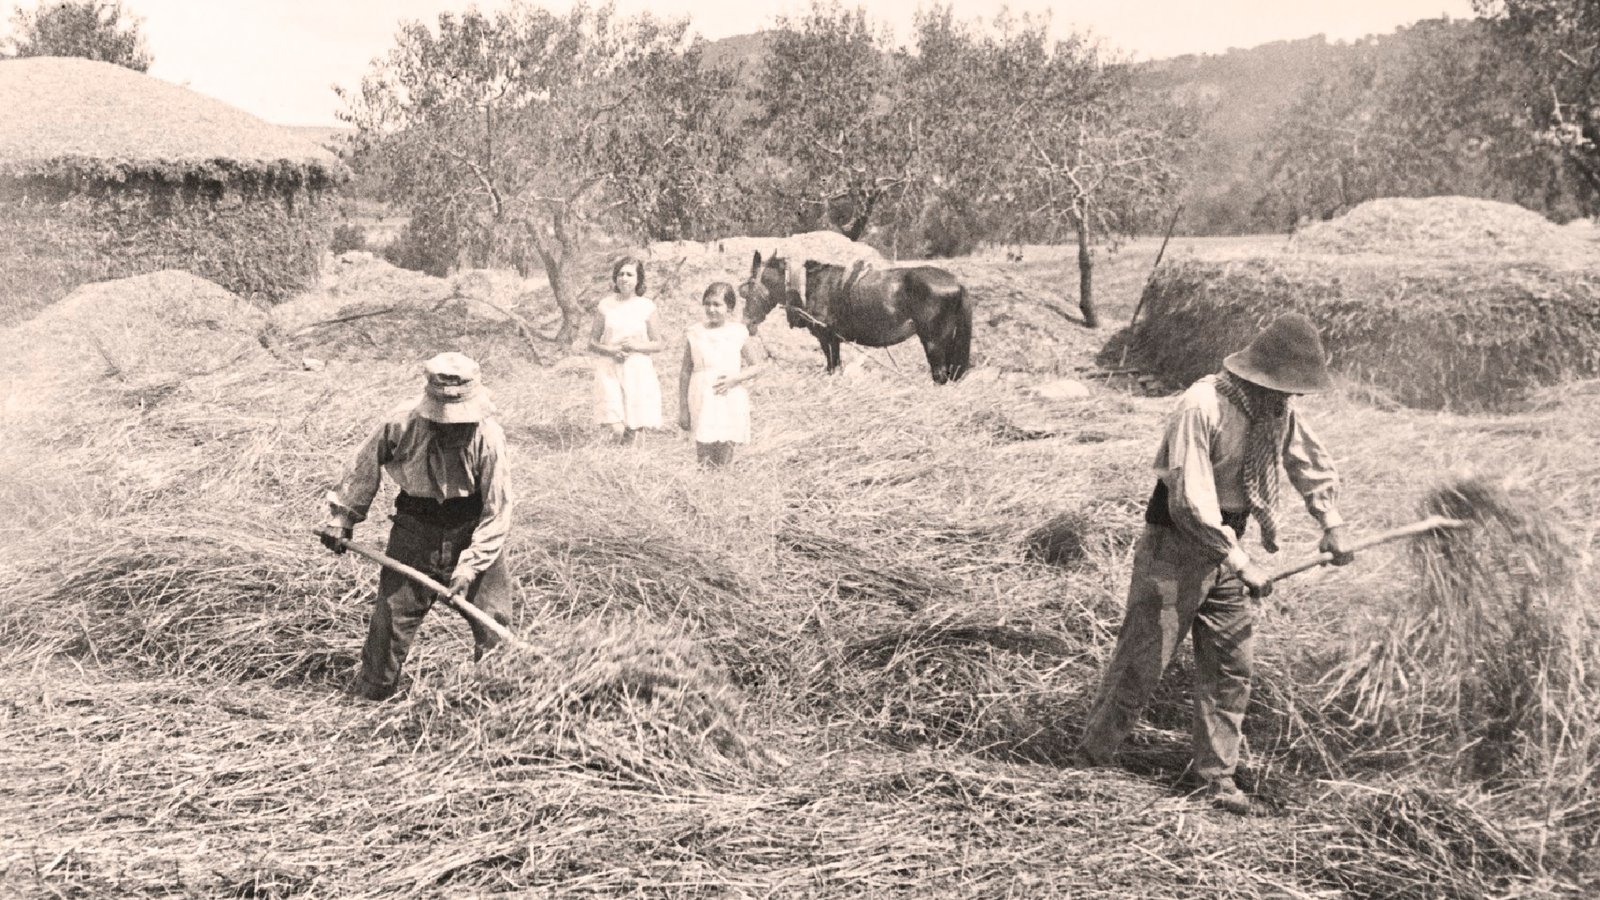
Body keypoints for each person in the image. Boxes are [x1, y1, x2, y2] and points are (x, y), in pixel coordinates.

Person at [1075, 313, 1355, 815]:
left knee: (1230, 668)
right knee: (1142, 663)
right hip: (1175, 549)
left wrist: (1330, 521)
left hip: (1229, 550)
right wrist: (1239, 561)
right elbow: (1190, 503)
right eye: (1285, 389)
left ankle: (1216, 780)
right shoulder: (1201, 405)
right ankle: (1089, 764)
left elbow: (1308, 461)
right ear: (1257, 375)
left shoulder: (1276, 409)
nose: (1289, 400)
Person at [316, 352, 514, 702]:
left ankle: (497, 697)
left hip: (471, 529)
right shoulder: (401, 423)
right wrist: (343, 518)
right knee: (390, 622)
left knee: (494, 622)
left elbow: (496, 511)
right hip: (414, 529)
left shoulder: (488, 436)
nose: (452, 426)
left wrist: (470, 565)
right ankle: (373, 696)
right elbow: (364, 466)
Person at [678, 282, 766, 466]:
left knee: (725, 451)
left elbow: (757, 365)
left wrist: (735, 378)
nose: (711, 309)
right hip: (701, 394)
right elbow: (685, 371)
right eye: (707, 304)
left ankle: (723, 484)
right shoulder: (695, 332)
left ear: (730, 308)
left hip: (729, 395)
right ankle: (704, 487)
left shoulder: (738, 332)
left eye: (717, 304)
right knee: (704, 452)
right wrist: (683, 409)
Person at [589, 256, 664, 444]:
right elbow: (591, 342)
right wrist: (612, 350)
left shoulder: (646, 306)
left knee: (634, 425)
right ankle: (613, 452)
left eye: (629, 274)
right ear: (615, 278)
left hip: (637, 369)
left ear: (638, 279)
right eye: (620, 274)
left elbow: (659, 343)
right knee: (616, 427)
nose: (624, 278)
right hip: (610, 368)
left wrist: (635, 347)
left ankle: (626, 463)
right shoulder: (606, 305)